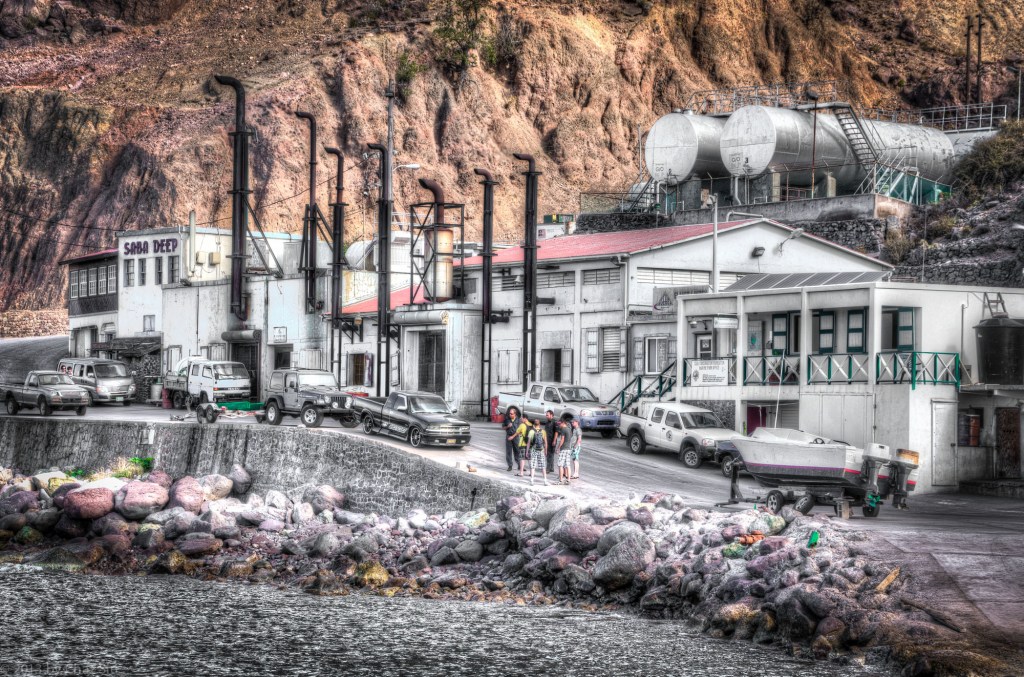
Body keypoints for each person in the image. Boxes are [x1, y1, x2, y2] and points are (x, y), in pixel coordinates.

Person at [528, 419, 549, 485]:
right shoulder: (543, 431)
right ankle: (545, 481)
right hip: (541, 450)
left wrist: (527, 451)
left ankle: (532, 480)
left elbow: (528, 443)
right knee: (543, 465)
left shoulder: (531, 431)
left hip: (534, 450)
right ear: (539, 424)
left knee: (533, 465)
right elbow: (545, 442)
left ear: (534, 425)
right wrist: (545, 450)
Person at [556, 415, 573, 484]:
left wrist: (558, 448)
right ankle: (568, 480)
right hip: (568, 449)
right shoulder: (569, 429)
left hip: (564, 449)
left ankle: (560, 480)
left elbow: (562, 440)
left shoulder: (563, 429)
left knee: (560, 464)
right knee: (567, 465)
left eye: (559, 424)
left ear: (563, 423)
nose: (559, 425)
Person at [544, 410, 558, 474]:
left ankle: (548, 468)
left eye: (547, 415)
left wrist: (554, 440)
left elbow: (556, 432)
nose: (546, 416)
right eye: (546, 415)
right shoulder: (547, 422)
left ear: (551, 415)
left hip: (552, 441)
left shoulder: (555, 422)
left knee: (549, 454)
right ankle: (551, 468)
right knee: (550, 455)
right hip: (547, 440)